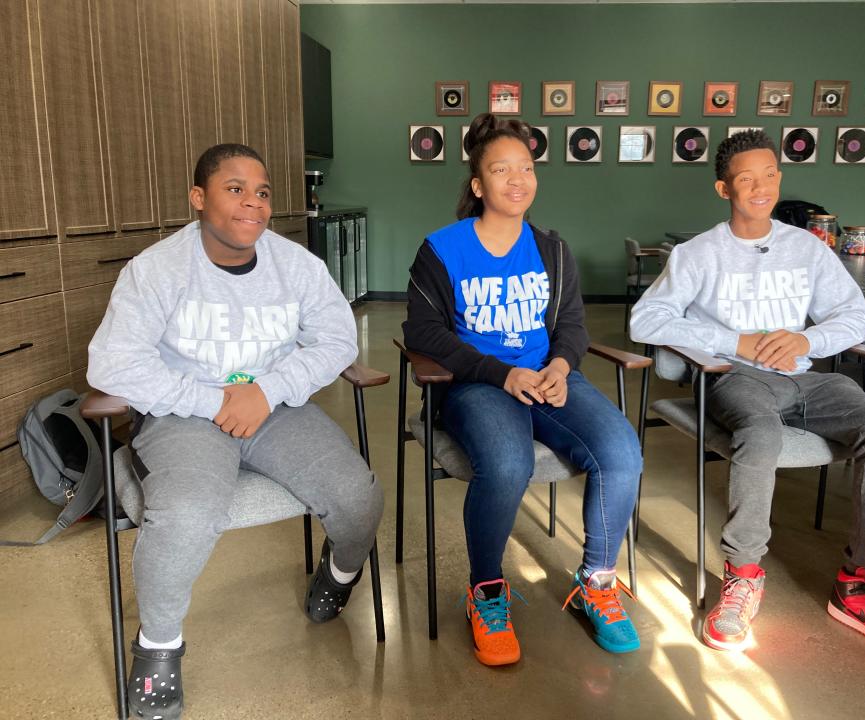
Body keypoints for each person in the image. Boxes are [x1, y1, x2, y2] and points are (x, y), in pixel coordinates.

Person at [87, 143, 384, 718]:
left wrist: (266, 392)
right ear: (198, 198)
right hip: (184, 416)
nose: (253, 203)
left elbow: (337, 341)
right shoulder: (157, 269)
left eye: (263, 192)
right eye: (235, 189)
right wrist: (213, 399)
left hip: (275, 410)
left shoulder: (296, 265)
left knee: (358, 494)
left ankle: (339, 571)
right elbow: (113, 363)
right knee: (190, 510)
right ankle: (158, 647)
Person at [630, 130, 865, 664]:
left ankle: (861, 587)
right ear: (723, 186)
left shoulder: (805, 248)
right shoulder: (698, 254)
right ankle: (743, 577)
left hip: (809, 378)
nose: (760, 187)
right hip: (738, 378)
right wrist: (736, 341)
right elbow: (645, 319)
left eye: (769, 174)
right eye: (746, 178)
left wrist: (808, 339)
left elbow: (854, 316)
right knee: (761, 433)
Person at [403, 113, 643, 666]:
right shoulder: (442, 249)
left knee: (621, 452)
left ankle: (597, 582)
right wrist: (499, 373)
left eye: (527, 168)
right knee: (509, 464)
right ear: (478, 184)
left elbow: (573, 325)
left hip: (548, 379)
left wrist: (560, 366)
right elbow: (424, 331)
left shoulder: (552, 250)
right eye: (501, 169)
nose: (518, 179)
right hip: (475, 386)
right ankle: (486, 592)